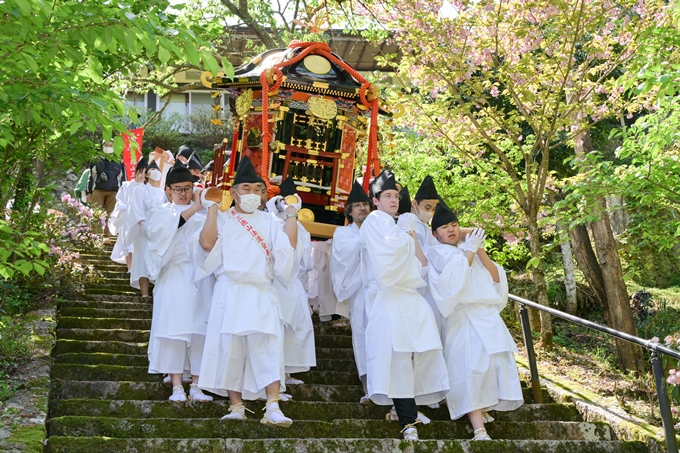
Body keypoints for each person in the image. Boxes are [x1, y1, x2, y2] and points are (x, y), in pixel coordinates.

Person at [197, 156, 300, 427]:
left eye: (257, 190)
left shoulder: (269, 222)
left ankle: (273, 406)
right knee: (231, 347)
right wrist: (211, 208)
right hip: (231, 290)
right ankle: (236, 405)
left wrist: (291, 215)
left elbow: (286, 248)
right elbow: (207, 244)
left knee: (268, 346)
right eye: (246, 189)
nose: (252, 194)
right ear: (234, 192)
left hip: (261, 291)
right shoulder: (223, 218)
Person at [359, 170, 449, 441]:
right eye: (387, 196)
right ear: (375, 201)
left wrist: (408, 234)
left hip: (411, 298)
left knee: (417, 355)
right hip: (390, 298)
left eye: (396, 196)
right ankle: (407, 419)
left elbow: (423, 264)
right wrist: (406, 233)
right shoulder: (374, 222)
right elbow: (388, 261)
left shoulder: (398, 223)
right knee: (398, 358)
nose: (393, 201)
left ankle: (407, 410)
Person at [427, 203, 524, 441]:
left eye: (454, 225)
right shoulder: (437, 252)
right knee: (469, 369)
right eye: (444, 227)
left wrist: (478, 248)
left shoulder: (466, 249)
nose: (450, 230)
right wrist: (469, 250)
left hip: (488, 317)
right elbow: (452, 284)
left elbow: (495, 276)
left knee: (494, 366)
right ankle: (478, 427)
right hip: (464, 318)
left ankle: (484, 409)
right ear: (435, 234)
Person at [144, 160, 213, 402]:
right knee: (174, 332)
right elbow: (170, 229)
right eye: (179, 189)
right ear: (168, 191)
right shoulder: (160, 212)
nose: (184, 193)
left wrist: (208, 208)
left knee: (199, 332)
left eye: (188, 188)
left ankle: (196, 384)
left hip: (200, 278)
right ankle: (176, 386)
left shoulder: (204, 214)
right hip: (173, 277)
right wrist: (196, 205)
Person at [267, 176, 316, 387]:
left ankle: (286, 373)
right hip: (275, 282)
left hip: (294, 284)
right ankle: (274, 377)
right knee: (277, 330)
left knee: (296, 330)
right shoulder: (269, 221)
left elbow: (306, 263)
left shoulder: (302, 230)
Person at [331, 181, 372, 403]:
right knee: (362, 336)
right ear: (350, 210)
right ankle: (368, 386)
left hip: (379, 290)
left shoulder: (380, 229)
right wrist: (366, 242)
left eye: (365, 204)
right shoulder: (342, 233)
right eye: (357, 205)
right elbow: (343, 257)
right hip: (359, 291)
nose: (362, 209)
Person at [124, 159, 167, 298]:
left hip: (159, 231)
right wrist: (143, 223)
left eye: (158, 171)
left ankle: (156, 291)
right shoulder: (140, 190)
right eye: (152, 171)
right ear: (147, 174)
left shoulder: (163, 193)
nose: (156, 173)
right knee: (142, 259)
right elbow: (135, 209)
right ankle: (144, 293)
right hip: (143, 231)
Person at [109, 157, 146, 269]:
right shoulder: (126, 186)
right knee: (128, 245)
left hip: (139, 220)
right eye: (140, 172)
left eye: (145, 173)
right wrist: (126, 209)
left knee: (137, 245)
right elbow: (120, 200)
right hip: (128, 219)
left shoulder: (146, 189)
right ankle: (130, 268)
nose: (142, 176)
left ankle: (135, 268)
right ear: (136, 171)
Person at [87, 140, 125, 237]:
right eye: (106, 145)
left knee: (111, 214)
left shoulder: (119, 162)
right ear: (102, 147)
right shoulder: (96, 160)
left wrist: (122, 194)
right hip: (98, 189)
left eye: (111, 145)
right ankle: (93, 235)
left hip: (113, 191)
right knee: (95, 213)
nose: (109, 147)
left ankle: (106, 235)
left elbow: (122, 178)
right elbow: (91, 176)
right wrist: (89, 192)